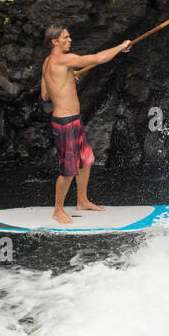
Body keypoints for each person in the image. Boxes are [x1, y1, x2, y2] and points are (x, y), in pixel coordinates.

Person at [40, 23, 131, 224]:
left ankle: (82, 201)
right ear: (55, 42)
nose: (70, 40)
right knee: (68, 170)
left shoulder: (48, 63)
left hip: (73, 120)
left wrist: (66, 78)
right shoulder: (65, 60)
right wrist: (120, 46)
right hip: (65, 123)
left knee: (86, 160)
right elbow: (98, 59)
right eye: (66, 37)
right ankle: (58, 210)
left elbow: (45, 94)